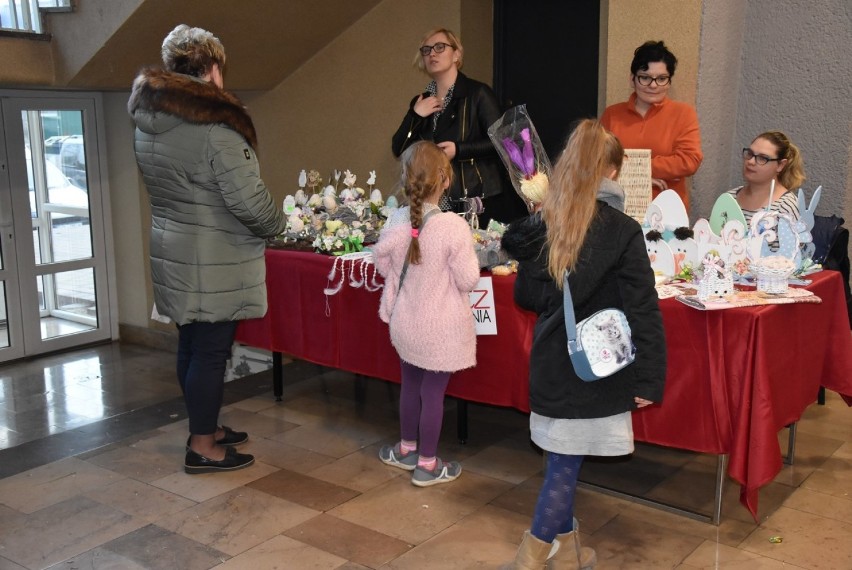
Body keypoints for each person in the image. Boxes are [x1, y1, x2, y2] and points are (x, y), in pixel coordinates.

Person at [500, 120, 667, 569]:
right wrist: (650, 376)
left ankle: (567, 553)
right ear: (613, 170)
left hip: (553, 363)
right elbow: (643, 308)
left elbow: (526, 298)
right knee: (563, 468)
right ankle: (529, 558)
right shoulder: (623, 229)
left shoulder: (545, 223)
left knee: (561, 458)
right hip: (598, 369)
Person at [128, 24, 286, 474]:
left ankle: (205, 426)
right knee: (212, 351)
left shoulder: (150, 120)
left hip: (172, 247)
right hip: (212, 256)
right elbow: (248, 200)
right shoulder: (215, 128)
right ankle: (202, 446)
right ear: (213, 70)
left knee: (192, 345)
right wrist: (277, 226)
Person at [372, 141, 480, 487]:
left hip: (406, 323)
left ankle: (406, 449)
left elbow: (383, 266)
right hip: (441, 329)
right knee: (433, 394)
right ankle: (428, 465)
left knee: (410, 387)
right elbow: (467, 279)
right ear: (445, 180)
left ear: (406, 179)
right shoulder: (453, 227)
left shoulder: (396, 221)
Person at [391, 27, 527, 227]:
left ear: (456, 54)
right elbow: (399, 148)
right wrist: (415, 115)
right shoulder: (422, 101)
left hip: (478, 199)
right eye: (426, 50)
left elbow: (502, 142)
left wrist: (460, 150)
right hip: (435, 199)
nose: (432, 53)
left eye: (440, 47)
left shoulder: (478, 93)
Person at [601, 40, 703, 211]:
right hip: (618, 209)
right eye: (645, 78)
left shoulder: (683, 113)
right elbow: (598, 162)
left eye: (661, 78)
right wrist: (643, 176)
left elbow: (689, 161)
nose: (653, 85)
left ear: (669, 82)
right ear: (632, 80)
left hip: (668, 213)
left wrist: (636, 171)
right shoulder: (612, 114)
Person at [728, 130, 804, 229]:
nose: (750, 161)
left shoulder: (785, 207)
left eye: (762, 158)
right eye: (750, 154)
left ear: (781, 165)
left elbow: (794, 243)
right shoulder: (730, 198)